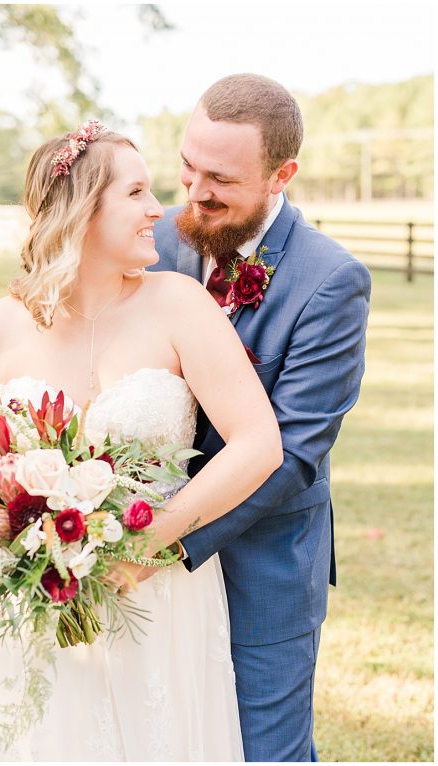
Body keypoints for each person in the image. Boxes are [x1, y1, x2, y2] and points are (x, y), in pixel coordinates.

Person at [0, 118, 282, 760]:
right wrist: (23, 550)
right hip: (44, 609)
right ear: (80, 212)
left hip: (161, 595)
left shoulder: (180, 304)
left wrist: (146, 542)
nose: (160, 208)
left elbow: (258, 442)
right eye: (136, 194)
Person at [149, 73, 371, 761]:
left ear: (283, 175)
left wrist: (166, 538)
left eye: (220, 177)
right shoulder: (154, 243)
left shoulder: (331, 282)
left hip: (264, 564)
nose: (194, 191)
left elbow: (297, 451)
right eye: (188, 165)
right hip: (145, 566)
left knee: (263, 753)